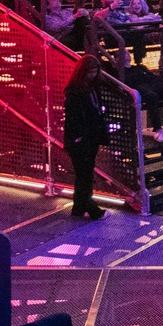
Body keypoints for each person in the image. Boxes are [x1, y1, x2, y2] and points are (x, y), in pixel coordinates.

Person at [61, 54, 107, 219]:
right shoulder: (75, 91)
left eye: (95, 71)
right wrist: (78, 136)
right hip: (81, 137)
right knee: (84, 173)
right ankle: (89, 207)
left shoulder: (90, 88)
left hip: (89, 136)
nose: (92, 75)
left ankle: (79, 207)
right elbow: (73, 117)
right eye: (90, 71)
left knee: (85, 173)